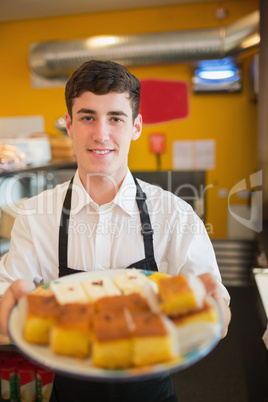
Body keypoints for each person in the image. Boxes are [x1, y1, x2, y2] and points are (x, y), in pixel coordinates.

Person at [0, 60, 231, 402]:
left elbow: (220, 321)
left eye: (116, 118)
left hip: (152, 392)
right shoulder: (35, 215)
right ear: (69, 124)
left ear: (136, 126)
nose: (101, 134)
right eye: (87, 117)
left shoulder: (175, 213)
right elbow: (7, 308)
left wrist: (214, 307)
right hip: (68, 391)